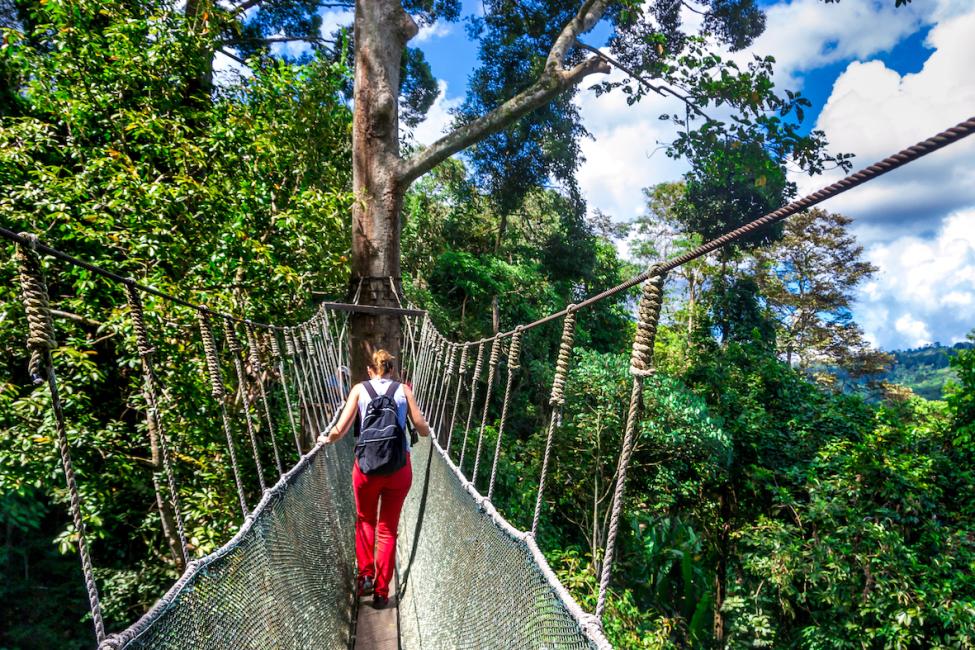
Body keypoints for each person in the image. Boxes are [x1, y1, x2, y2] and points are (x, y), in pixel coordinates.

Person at [318, 349, 430, 609]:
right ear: (391, 369)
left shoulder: (359, 389)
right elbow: (422, 429)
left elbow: (341, 429)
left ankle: (365, 577)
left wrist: (327, 438)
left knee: (365, 520)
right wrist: (422, 427)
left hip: (366, 469)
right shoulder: (404, 390)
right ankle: (381, 593)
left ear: (371, 370)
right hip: (399, 468)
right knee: (388, 529)